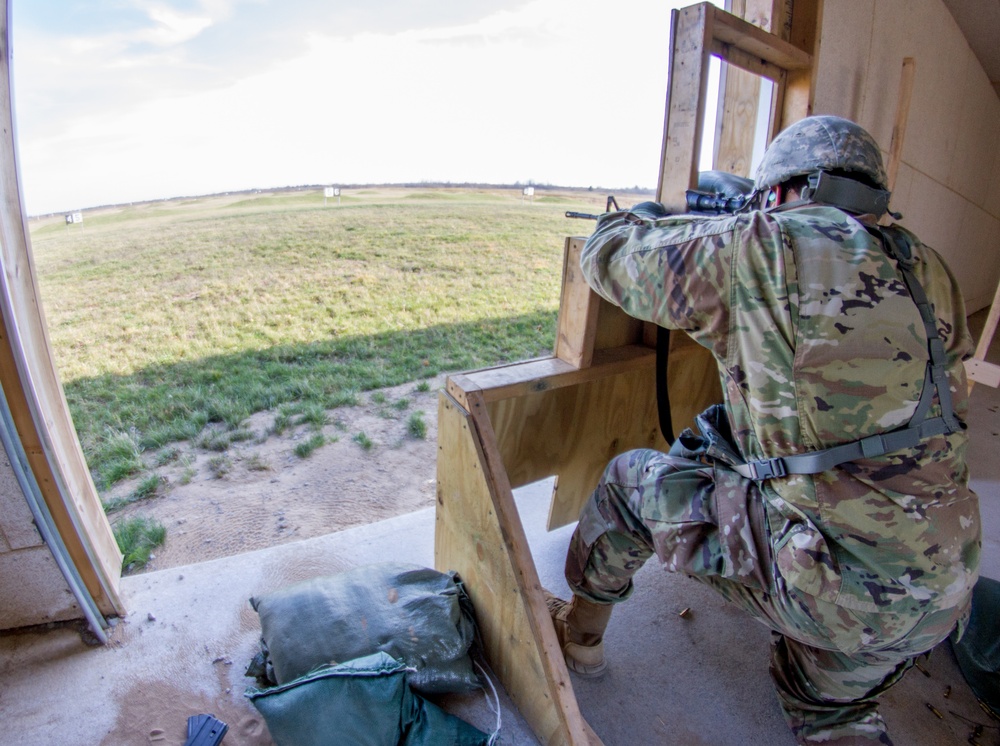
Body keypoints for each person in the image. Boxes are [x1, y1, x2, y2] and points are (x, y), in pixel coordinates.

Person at [546, 115, 982, 745]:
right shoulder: (930, 267)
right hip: (942, 583)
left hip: (832, 583)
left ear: (779, 191)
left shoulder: (763, 245)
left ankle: (579, 638)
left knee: (629, 482)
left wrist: (644, 211)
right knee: (827, 708)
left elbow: (609, 256)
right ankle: (843, 711)